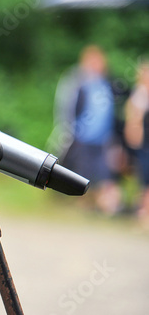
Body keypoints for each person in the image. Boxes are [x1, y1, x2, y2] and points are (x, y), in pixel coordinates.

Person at [51, 45, 122, 214]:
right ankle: (83, 205)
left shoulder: (106, 84)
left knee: (103, 174)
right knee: (82, 174)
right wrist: (68, 131)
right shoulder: (76, 81)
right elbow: (65, 108)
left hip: (103, 139)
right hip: (82, 137)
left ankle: (99, 206)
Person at [125, 61, 149, 223]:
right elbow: (134, 120)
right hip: (144, 143)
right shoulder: (140, 94)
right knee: (144, 178)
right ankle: (144, 211)